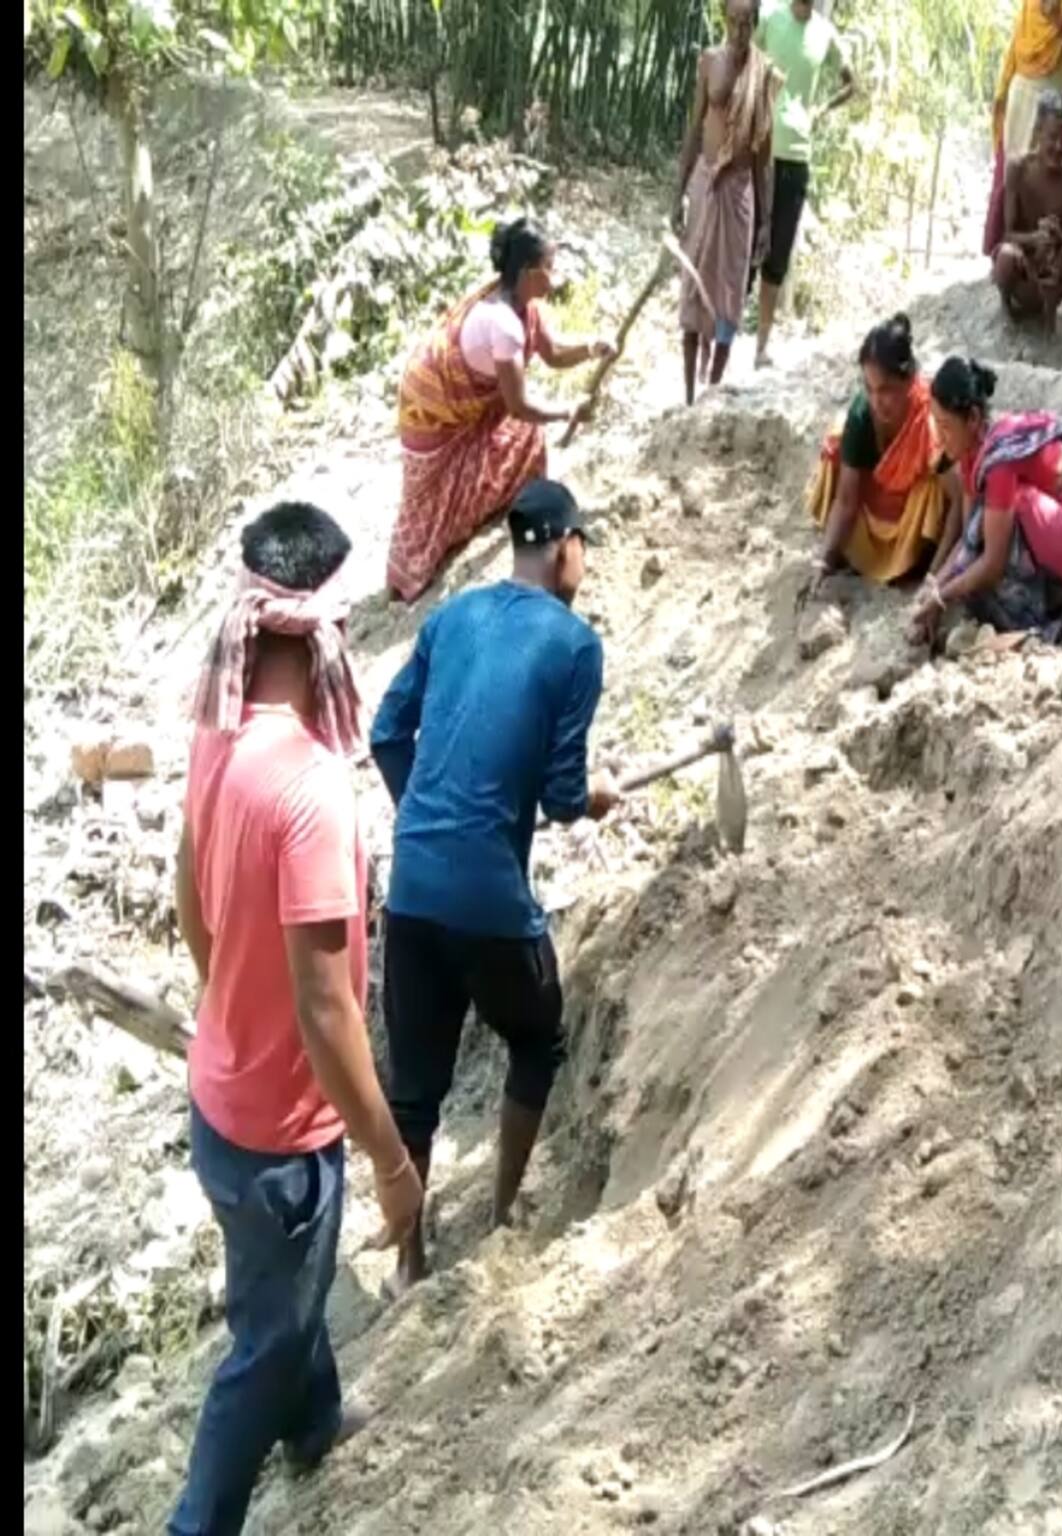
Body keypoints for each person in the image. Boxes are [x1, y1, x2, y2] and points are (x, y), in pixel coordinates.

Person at [170, 503, 423, 1534]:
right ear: (325, 629)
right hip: (280, 1132)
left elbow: (188, 890)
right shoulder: (316, 790)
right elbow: (328, 1012)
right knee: (263, 1343)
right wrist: (392, 1162)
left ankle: (314, 1422)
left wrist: (230, 997)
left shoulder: (214, 735)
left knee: (280, 1288)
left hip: (219, 1097)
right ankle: (200, 1521)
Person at [369, 479, 619, 1296]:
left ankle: (409, 1264)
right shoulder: (575, 646)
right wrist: (594, 798)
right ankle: (503, 1217)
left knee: (414, 1091)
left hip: (410, 887)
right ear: (561, 547)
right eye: (582, 545)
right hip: (488, 897)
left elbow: (385, 731)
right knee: (537, 1038)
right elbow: (560, 795)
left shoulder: (450, 618)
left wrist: (426, 812)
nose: (582, 559)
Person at [389, 217, 614, 603]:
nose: (554, 277)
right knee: (427, 501)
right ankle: (403, 581)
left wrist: (593, 346)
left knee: (523, 438)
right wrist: (567, 410)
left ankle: (500, 509)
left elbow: (553, 352)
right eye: (549, 268)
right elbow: (519, 405)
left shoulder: (526, 306)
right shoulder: (503, 324)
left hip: (462, 408)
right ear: (528, 272)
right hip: (431, 413)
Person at [910, 357, 1062, 642]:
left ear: (972, 418)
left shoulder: (999, 462)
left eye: (945, 426)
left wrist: (941, 597)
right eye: (936, 425)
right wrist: (935, 584)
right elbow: (968, 538)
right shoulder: (975, 453)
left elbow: (992, 562)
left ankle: (1043, 604)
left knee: (1003, 512)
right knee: (987, 523)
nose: (940, 438)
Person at [676, 0, 781, 404]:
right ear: (724, 21)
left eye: (746, 24)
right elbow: (695, 129)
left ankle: (712, 388)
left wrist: (765, 221)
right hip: (706, 185)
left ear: (755, 24)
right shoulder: (709, 62)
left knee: (730, 290)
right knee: (694, 281)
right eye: (733, 23)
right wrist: (678, 192)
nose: (739, 32)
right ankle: (687, 392)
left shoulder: (764, 73)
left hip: (739, 190)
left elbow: (763, 156)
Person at [804, 313, 953, 585]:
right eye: (869, 389)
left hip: (912, 527)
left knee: (931, 482)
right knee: (836, 441)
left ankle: (914, 564)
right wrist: (824, 560)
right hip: (873, 511)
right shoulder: (862, 415)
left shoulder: (929, 418)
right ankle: (850, 554)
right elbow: (847, 500)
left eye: (886, 390)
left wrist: (937, 577)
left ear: (909, 380)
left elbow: (960, 501)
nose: (876, 401)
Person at [753, 0, 855, 370]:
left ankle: (761, 345)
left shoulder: (824, 33)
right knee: (747, 243)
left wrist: (820, 110)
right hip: (760, 148)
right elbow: (741, 58)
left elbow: (850, 81)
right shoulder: (769, 18)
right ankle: (726, 338)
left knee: (778, 252)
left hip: (797, 153)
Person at [983, 0, 1062, 261]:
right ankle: (1004, 253)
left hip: (1052, 96)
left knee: (1044, 175)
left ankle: (1041, 253)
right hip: (1022, 95)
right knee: (1014, 171)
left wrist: (1059, 22)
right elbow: (1017, 47)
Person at [992, 91, 1062, 325]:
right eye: (1052, 138)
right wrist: (1034, 239)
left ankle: (1050, 311)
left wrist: (1055, 237)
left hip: (1051, 271)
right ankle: (1006, 306)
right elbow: (1008, 233)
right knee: (1005, 256)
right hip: (1021, 268)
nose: (1058, 146)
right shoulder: (1017, 168)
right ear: (1037, 135)